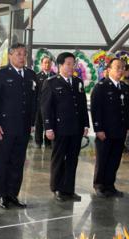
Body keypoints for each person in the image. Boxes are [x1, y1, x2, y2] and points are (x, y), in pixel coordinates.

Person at [0, 43, 37, 209]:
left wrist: (32, 123)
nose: (22, 57)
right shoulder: (0, 74)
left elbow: (33, 101)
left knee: (18, 161)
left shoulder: (30, 75)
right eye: (18, 54)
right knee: (3, 161)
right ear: (10, 56)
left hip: (23, 127)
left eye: (24, 54)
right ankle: (2, 195)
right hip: (4, 127)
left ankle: (13, 194)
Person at [40, 52, 89, 202]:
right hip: (60, 128)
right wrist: (48, 127)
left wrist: (86, 124)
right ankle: (57, 188)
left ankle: (69, 189)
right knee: (59, 159)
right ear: (60, 65)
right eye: (68, 64)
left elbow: (81, 106)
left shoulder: (78, 82)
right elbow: (46, 107)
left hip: (76, 128)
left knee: (73, 159)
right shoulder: (51, 82)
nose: (70, 67)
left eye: (73, 64)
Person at [90, 58, 129, 198]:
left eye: (122, 68)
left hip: (119, 131)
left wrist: (128, 127)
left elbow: (127, 110)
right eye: (117, 67)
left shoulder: (125, 87)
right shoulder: (101, 87)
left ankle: (110, 185)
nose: (120, 70)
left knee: (114, 160)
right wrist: (98, 129)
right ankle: (99, 185)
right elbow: (96, 110)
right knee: (102, 160)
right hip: (105, 131)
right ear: (108, 70)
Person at [34, 56, 55, 148]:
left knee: (50, 123)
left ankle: (48, 142)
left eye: (49, 62)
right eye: (45, 62)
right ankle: (38, 142)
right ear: (42, 64)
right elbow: (34, 92)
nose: (47, 64)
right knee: (39, 123)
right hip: (39, 105)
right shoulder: (37, 77)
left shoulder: (55, 76)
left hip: (51, 105)